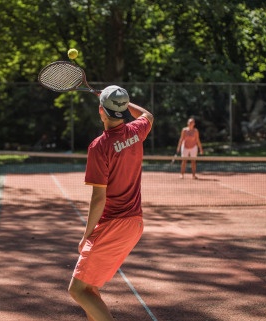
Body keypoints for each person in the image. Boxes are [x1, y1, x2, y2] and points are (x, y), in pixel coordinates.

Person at [68, 85, 153, 321]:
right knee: (89, 289)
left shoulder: (99, 146)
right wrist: (124, 105)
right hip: (133, 224)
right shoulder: (137, 131)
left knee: (77, 290)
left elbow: (98, 198)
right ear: (124, 111)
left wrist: (86, 235)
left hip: (112, 225)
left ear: (100, 111)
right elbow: (148, 115)